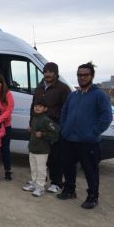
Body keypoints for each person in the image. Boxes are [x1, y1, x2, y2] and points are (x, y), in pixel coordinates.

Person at [57, 62, 112, 209]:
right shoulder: (73, 95)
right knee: (68, 166)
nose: (81, 77)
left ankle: (92, 197)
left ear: (92, 76)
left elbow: (106, 118)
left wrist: (92, 133)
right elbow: (64, 112)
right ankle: (69, 190)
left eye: (85, 75)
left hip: (88, 141)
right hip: (69, 139)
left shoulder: (99, 95)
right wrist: (64, 129)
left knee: (90, 170)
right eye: (79, 75)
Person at [30, 62, 71, 193]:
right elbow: (33, 105)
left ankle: (56, 182)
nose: (47, 74)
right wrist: (32, 122)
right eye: (45, 71)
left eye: (50, 72)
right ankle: (38, 182)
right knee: (39, 157)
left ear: (55, 73)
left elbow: (67, 109)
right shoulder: (39, 87)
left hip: (53, 127)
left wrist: (61, 126)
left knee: (55, 157)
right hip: (38, 126)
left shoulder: (63, 88)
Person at [22, 97, 59, 197]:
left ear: (45, 109)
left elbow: (55, 133)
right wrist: (31, 129)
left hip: (42, 150)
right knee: (33, 168)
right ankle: (34, 184)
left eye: (40, 106)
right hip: (33, 148)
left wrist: (43, 134)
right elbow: (35, 131)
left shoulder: (46, 120)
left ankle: (40, 188)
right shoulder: (35, 118)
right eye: (36, 106)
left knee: (41, 169)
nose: (37, 108)